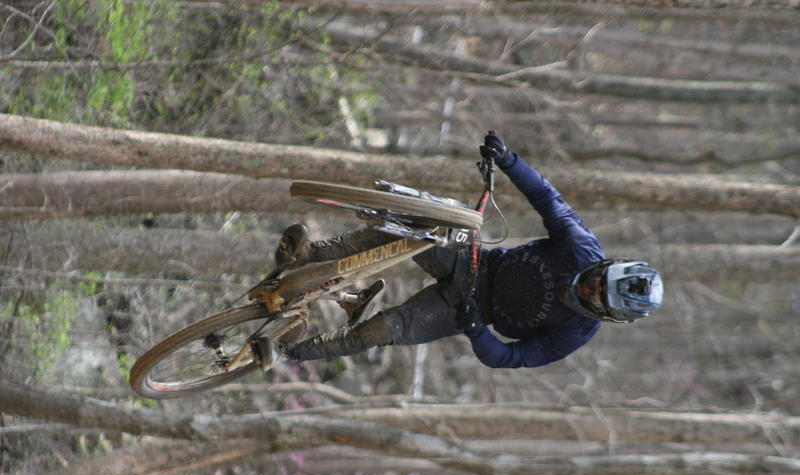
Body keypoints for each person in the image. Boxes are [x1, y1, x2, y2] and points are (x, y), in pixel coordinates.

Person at [252, 132, 663, 369]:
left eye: (595, 297)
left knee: (378, 331)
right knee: (406, 229)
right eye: (596, 280)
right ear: (605, 265)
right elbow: (547, 198)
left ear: (606, 315)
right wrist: (507, 160)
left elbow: (508, 358)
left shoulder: (573, 333)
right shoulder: (579, 248)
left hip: (464, 311)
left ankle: (289, 353)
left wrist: (476, 330)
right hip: (474, 259)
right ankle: (308, 256)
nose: (587, 288)